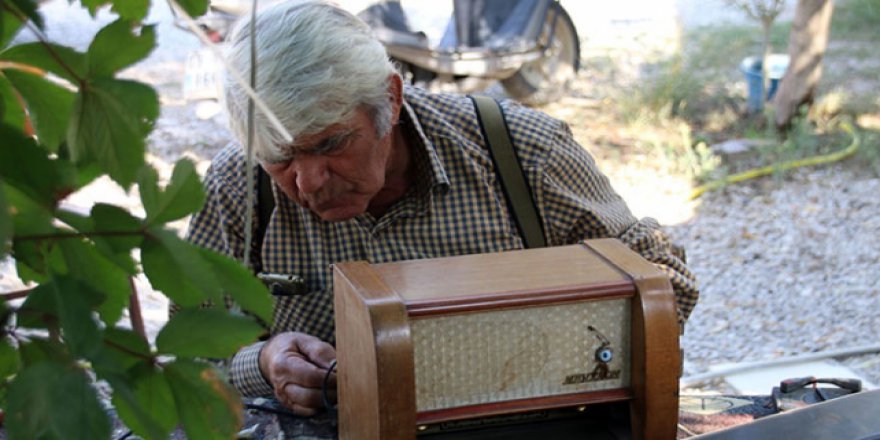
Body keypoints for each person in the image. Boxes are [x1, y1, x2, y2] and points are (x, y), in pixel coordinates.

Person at [187, 0, 699, 416]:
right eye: (279, 156)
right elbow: (186, 347)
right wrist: (262, 361)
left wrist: (530, 353)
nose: (308, 180)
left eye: (329, 145)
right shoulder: (239, 185)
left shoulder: (521, 153)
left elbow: (664, 282)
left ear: (389, 100)